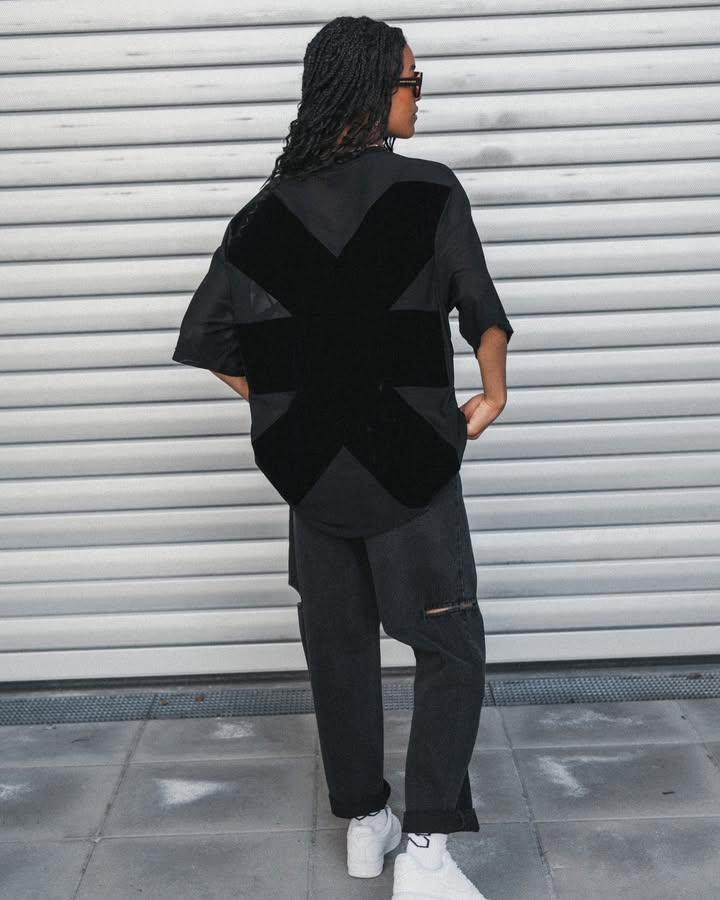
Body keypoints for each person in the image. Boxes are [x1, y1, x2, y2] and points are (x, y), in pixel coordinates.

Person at [172, 15, 512, 900]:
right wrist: (492, 393)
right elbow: (480, 307)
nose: (420, 95)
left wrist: (290, 402)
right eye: (411, 80)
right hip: (410, 468)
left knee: (339, 648)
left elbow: (208, 337)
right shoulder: (429, 190)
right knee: (449, 646)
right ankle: (427, 852)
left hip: (311, 470)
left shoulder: (266, 213)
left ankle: (367, 823)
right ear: (371, 91)